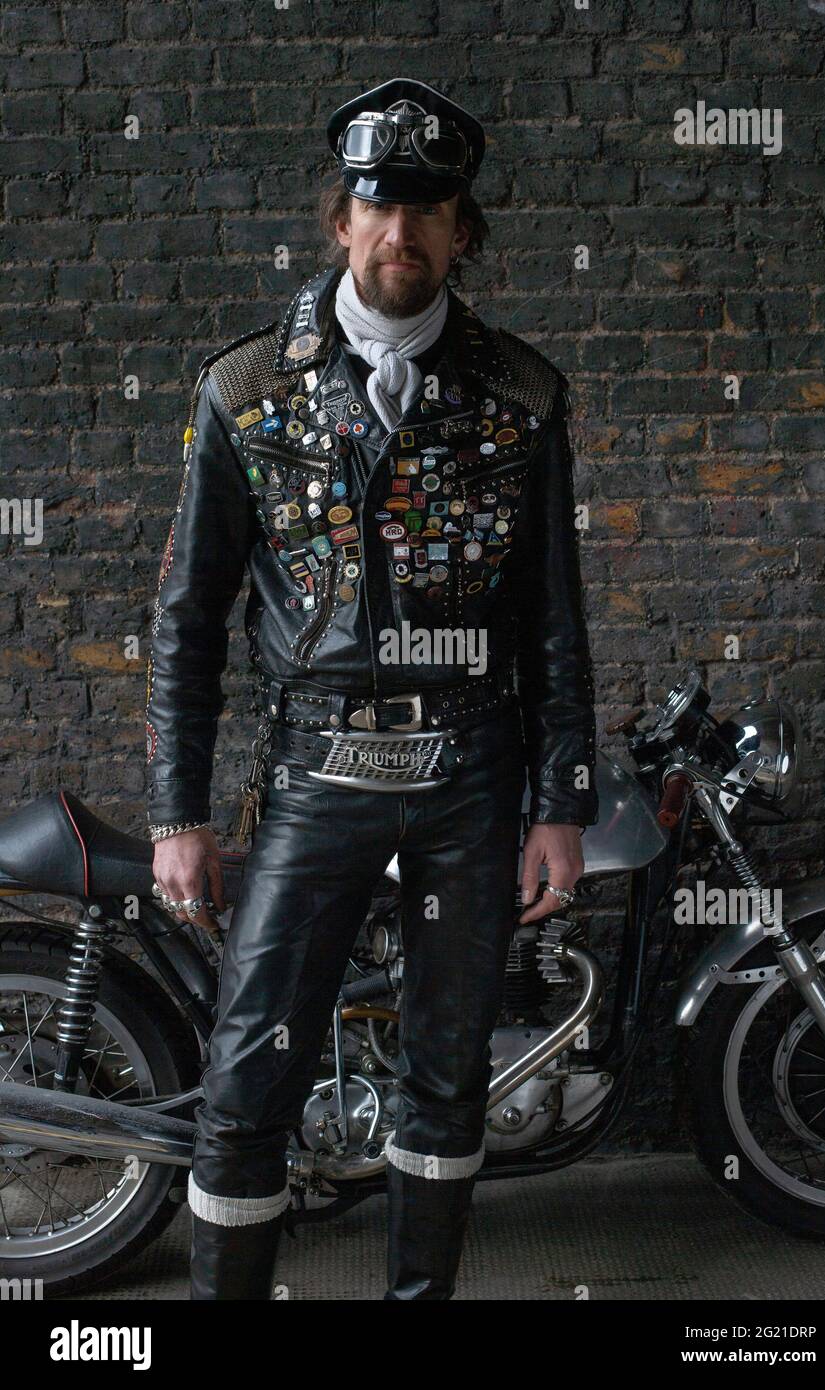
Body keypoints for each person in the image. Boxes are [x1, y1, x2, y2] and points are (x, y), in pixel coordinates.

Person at [146, 78, 599, 1301]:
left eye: (428, 211)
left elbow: (554, 618)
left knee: (446, 1079)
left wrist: (559, 801)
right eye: (375, 207)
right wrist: (177, 815)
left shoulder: (521, 397)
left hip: (470, 776)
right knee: (248, 1082)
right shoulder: (246, 391)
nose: (400, 234)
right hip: (313, 775)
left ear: (462, 232)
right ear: (339, 221)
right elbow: (186, 618)